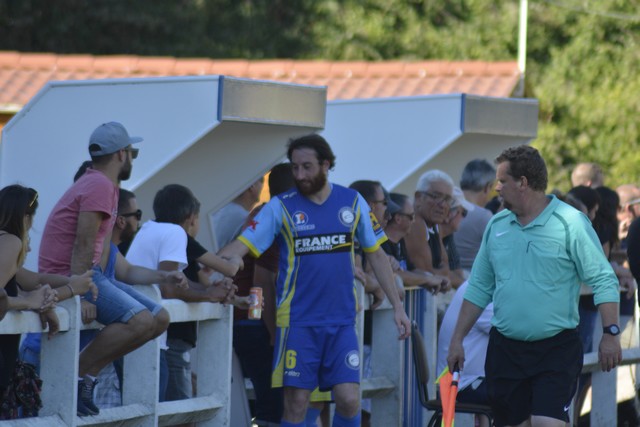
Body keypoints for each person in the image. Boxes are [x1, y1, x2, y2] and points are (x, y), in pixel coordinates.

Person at [219, 134, 411, 427]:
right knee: (297, 403)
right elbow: (240, 247)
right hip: (297, 323)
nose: (300, 175)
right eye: (295, 167)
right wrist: (219, 263)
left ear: (326, 165)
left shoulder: (352, 202)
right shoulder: (280, 207)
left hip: (341, 322)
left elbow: (376, 254)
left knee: (349, 399)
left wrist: (398, 307)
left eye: (307, 167)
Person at [447, 145, 621, 427]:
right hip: (505, 351)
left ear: (523, 183)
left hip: (556, 348)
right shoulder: (497, 225)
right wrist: (457, 340)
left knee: (546, 423)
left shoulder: (571, 222)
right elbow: (478, 287)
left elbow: (603, 278)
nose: (496, 188)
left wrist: (611, 333)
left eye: (502, 181)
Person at [38, 122, 181, 416]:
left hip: (89, 275)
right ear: (121, 154)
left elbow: (100, 250)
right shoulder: (99, 185)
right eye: (133, 153)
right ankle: (76, 374)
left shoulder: (103, 185)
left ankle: (86, 376)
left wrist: (162, 276)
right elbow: (83, 243)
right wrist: (80, 295)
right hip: (70, 276)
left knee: (160, 319)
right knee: (141, 321)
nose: (132, 159)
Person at [125, 184, 237, 402]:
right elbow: (169, 288)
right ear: (191, 218)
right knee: (168, 411)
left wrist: (209, 289)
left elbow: (175, 281)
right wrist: (209, 295)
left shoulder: (148, 229)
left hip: (132, 331)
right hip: (148, 338)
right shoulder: (175, 232)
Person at [0, 185, 95, 411]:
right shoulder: (11, 242)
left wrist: (72, 282)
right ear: (26, 217)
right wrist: (30, 302)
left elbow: (34, 279)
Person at [233, 163, 294, 426]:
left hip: (251, 321)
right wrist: (273, 335)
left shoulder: (263, 214)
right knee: (274, 406)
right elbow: (262, 282)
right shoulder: (274, 220)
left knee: (274, 404)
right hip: (256, 324)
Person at [437, 281, 492, 410]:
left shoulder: (474, 284)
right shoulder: (480, 291)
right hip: (460, 384)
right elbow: (513, 331)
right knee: (524, 391)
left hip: (463, 380)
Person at [404, 170, 455, 280]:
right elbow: (426, 273)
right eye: (436, 196)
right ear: (418, 197)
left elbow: (446, 270)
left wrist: (442, 275)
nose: (443, 205)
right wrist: (441, 275)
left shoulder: (435, 225)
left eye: (447, 199)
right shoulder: (414, 222)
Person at [454, 159, 495, 271]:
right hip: (473, 277)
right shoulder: (484, 216)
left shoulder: (448, 207)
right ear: (486, 187)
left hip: (448, 275)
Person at [211, 177, 264, 251]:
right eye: (262, 181)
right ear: (252, 186)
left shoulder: (218, 210)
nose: (262, 187)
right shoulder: (244, 219)